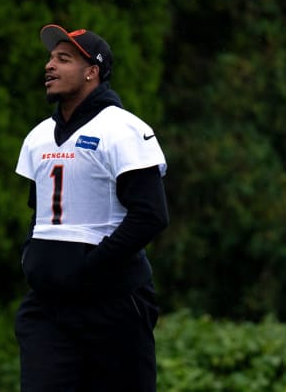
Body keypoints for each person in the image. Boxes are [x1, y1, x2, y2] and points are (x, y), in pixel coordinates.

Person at [13, 24, 169, 392]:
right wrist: (32, 259)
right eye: (50, 58)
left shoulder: (124, 130)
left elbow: (151, 215)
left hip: (113, 308)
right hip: (48, 309)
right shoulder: (36, 138)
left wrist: (90, 268)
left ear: (91, 71)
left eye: (63, 58)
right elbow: (40, 216)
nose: (49, 66)